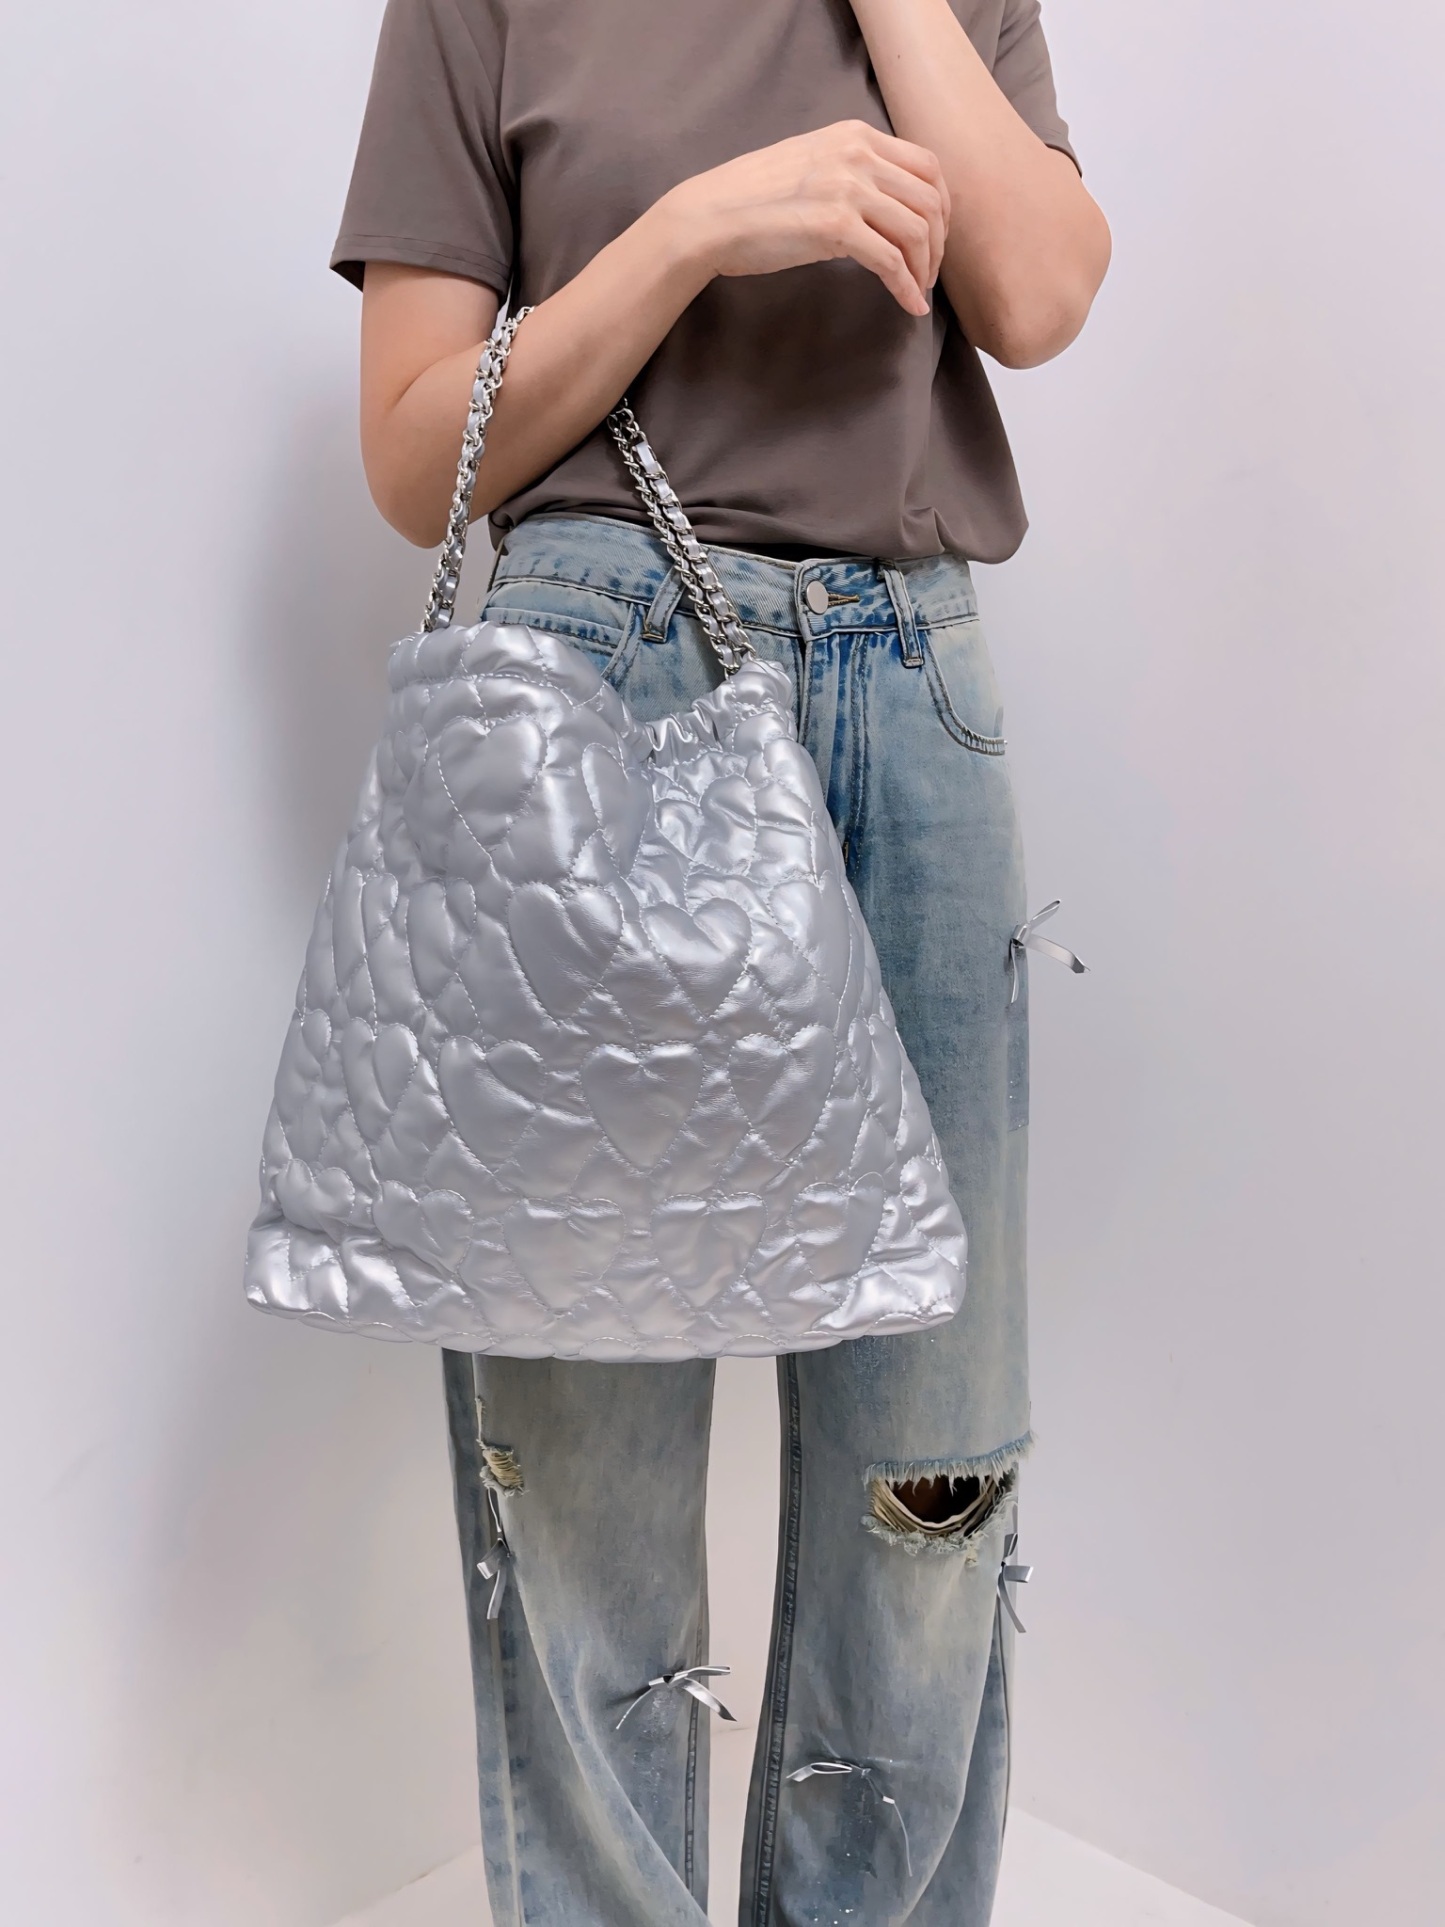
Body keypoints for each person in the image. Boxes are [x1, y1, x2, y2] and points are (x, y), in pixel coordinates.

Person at [331, 2, 1109, 1920]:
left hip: (908, 688)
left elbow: (1038, 294)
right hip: (597, 687)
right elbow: (418, 454)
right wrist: (688, 234)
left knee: (930, 1459)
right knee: (581, 1457)